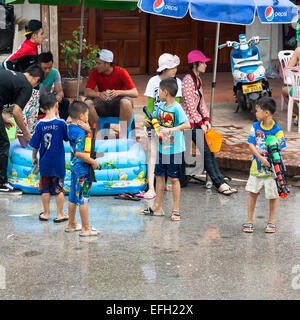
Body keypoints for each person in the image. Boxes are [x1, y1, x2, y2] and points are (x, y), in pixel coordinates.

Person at [181, 50, 238, 196]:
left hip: (197, 122)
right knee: (206, 152)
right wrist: (201, 123)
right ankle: (219, 184)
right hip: (189, 124)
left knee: (209, 152)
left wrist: (206, 120)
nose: (206, 65)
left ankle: (220, 181)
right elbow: (190, 105)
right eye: (203, 62)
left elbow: (202, 103)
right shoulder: (188, 80)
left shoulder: (197, 80)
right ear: (195, 64)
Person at [142, 78, 190, 221]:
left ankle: (176, 209)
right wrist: (148, 122)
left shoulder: (176, 108)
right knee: (159, 176)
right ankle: (158, 206)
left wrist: (171, 129)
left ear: (166, 92)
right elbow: (155, 120)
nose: (158, 94)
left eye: (160, 91)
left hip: (174, 149)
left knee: (174, 179)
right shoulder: (161, 106)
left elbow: (187, 124)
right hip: (162, 149)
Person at [243, 97, 286, 233]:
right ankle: (249, 221)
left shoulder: (277, 130)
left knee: (273, 195)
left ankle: (271, 222)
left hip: (272, 171)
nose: (256, 113)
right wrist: (261, 158)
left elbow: (279, 150)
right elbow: (251, 144)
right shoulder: (255, 127)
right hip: (256, 168)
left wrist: (272, 162)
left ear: (266, 113)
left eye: (258, 111)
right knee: (253, 193)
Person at [141, 53, 182, 199]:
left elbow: (175, 106)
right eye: (172, 67)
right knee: (152, 154)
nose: (175, 70)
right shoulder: (153, 82)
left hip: (169, 126)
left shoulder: (178, 83)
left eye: (175, 67)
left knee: (168, 154)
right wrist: (147, 122)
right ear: (164, 69)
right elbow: (150, 105)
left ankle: (166, 182)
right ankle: (151, 187)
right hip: (154, 123)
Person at [0, 64, 44, 194]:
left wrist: (2, 119)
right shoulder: (26, 86)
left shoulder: (15, 76)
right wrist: (26, 133)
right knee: (3, 144)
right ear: (36, 79)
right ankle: (2, 183)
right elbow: (17, 112)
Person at [29, 93, 69, 222]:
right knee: (59, 189)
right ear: (57, 105)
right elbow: (67, 138)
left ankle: (46, 213)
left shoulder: (40, 125)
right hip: (58, 163)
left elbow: (35, 144)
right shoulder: (61, 123)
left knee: (45, 189)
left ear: (41, 109)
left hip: (45, 163)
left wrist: (34, 157)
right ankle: (60, 214)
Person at [84, 49, 138, 139]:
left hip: (119, 106)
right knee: (87, 103)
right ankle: (97, 136)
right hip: (103, 104)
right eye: (96, 63)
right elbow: (87, 91)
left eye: (99, 63)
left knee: (125, 102)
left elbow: (135, 93)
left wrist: (119, 92)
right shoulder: (95, 72)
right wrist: (99, 94)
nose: (96, 66)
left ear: (108, 63)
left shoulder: (121, 72)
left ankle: (123, 136)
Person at [65, 100, 100, 237]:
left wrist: (89, 131)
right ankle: (85, 228)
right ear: (80, 116)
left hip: (74, 168)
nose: (87, 117)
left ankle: (71, 223)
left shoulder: (71, 128)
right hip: (82, 170)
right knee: (84, 197)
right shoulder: (80, 131)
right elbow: (80, 153)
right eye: (86, 114)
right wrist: (92, 162)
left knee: (73, 195)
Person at [38, 51, 70, 121]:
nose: (47, 71)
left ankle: (59, 123)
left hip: (49, 101)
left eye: (49, 68)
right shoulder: (35, 73)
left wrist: (59, 96)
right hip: (36, 101)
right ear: (39, 65)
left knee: (65, 102)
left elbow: (60, 92)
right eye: (44, 68)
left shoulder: (55, 73)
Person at [281, 47, 300, 126]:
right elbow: (288, 69)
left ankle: (299, 114)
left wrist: (296, 69)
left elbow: (288, 69)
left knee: (285, 91)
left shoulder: (298, 50)